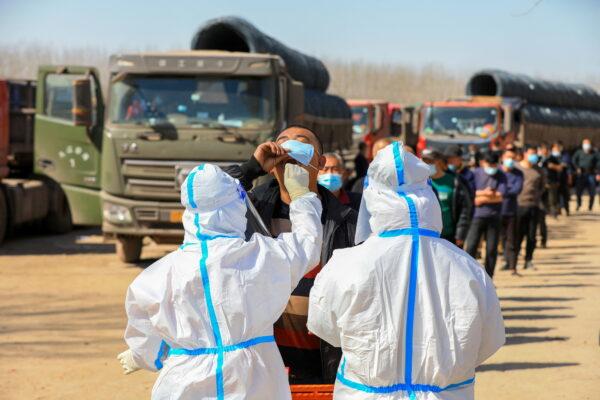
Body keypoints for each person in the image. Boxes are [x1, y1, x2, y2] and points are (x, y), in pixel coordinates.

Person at [307, 141, 505, 400]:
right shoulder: (467, 267)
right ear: (428, 197)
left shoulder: (345, 263)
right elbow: (489, 340)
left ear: (373, 198)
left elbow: (325, 329)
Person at [117, 163, 323, 399]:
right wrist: (302, 198)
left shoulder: (155, 276)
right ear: (235, 207)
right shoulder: (263, 256)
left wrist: (143, 355)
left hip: (183, 381)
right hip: (253, 378)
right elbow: (308, 245)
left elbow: (147, 334)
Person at [223, 125, 358, 384]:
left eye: (302, 142)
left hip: (326, 362)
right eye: (283, 142)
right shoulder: (250, 210)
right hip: (264, 363)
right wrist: (252, 167)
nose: (290, 147)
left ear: (319, 163)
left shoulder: (346, 222)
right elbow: (205, 192)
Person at [464, 152, 507, 278]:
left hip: (494, 217)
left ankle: (489, 278)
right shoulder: (475, 173)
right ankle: (468, 275)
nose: (492, 167)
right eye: (490, 164)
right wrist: (486, 193)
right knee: (471, 247)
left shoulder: (501, 175)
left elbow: (500, 196)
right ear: (483, 163)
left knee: (491, 250)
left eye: (494, 164)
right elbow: (471, 193)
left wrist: (481, 198)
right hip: (477, 216)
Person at [421, 148, 473, 246]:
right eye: (424, 161)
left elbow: (464, 210)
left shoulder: (455, 182)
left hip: (449, 236)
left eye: (430, 161)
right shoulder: (420, 183)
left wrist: (460, 234)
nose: (427, 164)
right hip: (427, 236)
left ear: (439, 162)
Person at [516, 146, 545, 270]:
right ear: (525, 154)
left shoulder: (539, 171)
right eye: (531, 153)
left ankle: (529, 260)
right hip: (518, 206)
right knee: (517, 235)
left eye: (535, 153)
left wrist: (536, 197)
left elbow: (542, 187)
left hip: (533, 206)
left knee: (532, 235)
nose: (533, 156)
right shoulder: (516, 169)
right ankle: (512, 260)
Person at [499, 148, 524, 274]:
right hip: (496, 211)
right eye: (508, 157)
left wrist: (500, 193)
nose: (510, 160)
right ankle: (506, 261)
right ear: (502, 157)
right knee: (502, 239)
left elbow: (516, 190)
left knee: (512, 239)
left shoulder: (518, 173)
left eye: (513, 158)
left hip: (511, 211)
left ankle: (513, 266)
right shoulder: (497, 172)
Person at [573, 138, 599, 211]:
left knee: (592, 191)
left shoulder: (595, 153)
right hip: (581, 174)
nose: (586, 145)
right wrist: (577, 168)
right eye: (585, 143)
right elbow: (573, 160)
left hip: (591, 174)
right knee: (578, 191)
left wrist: (598, 173)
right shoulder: (579, 152)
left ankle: (590, 206)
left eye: (588, 143)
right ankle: (579, 204)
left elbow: (599, 163)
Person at [552, 141, 573, 216]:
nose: (555, 150)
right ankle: (558, 210)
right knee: (555, 196)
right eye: (554, 148)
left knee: (565, 195)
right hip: (554, 179)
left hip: (563, 179)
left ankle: (567, 210)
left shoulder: (565, 155)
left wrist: (570, 177)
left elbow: (567, 166)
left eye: (556, 148)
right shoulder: (551, 156)